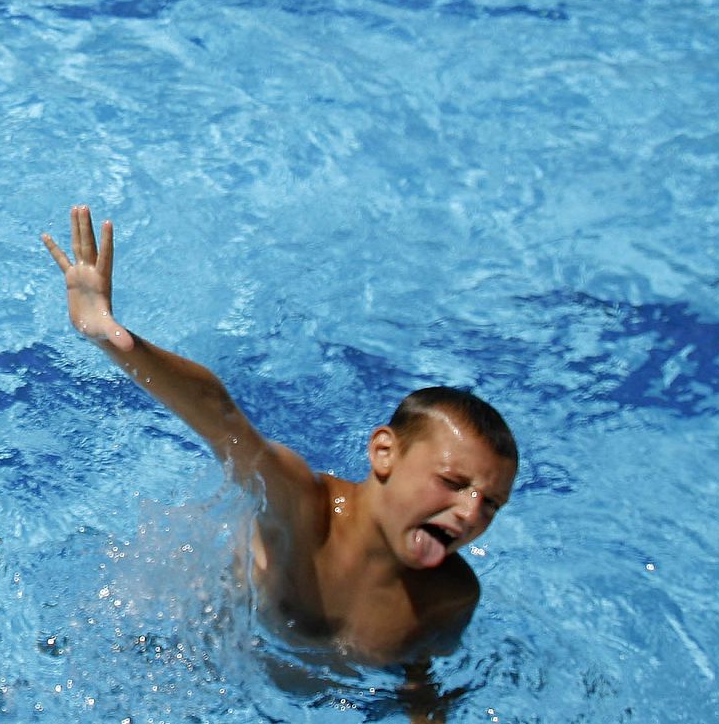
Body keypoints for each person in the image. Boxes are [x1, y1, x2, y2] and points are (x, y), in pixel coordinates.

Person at [42, 206, 517, 676]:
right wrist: (110, 339)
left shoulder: (452, 596)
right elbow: (222, 417)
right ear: (384, 453)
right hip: (197, 655)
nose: (472, 512)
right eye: (453, 482)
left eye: (492, 504)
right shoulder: (302, 508)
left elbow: (419, 674)